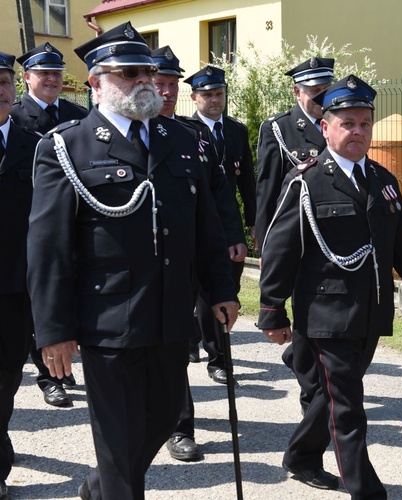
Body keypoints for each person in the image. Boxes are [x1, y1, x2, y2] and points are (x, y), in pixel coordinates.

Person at [26, 22, 239, 499]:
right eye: (129, 73)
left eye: (147, 71)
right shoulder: (66, 147)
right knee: (120, 444)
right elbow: (48, 250)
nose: (144, 80)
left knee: (164, 417)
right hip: (108, 321)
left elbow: (206, 229)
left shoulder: (180, 141)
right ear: (96, 81)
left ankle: (98, 490)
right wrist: (54, 331)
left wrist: (221, 290)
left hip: (169, 315)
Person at [258, 74, 402, 499]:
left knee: (330, 393)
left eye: (364, 123)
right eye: (347, 123)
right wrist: (272, 310)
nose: (357, 131)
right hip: (325, 315)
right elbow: (280, 249)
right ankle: (365, 489)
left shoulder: (382, 179)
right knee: (347, 404)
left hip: (370, 310)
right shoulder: (306, 182)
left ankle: (302, 456)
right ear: (326, 128)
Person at [150, 46, 247, 462]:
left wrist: (232, 235)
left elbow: (217, 193)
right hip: (146, 261)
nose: (168, 92)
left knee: (176, 343)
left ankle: (178, 426)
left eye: (173, 85)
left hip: (190, 256)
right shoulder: (131, 134)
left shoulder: (195, 135)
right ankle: (163, 421)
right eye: (161, 84)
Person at [11, 42, 89, 408]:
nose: (52, 79)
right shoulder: (15, 117)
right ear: (27, 78)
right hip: (31, 226)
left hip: (76, 222)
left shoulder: (77, 115)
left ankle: (65, 363)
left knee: (70, 295)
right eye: (44, 74)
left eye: (57, 73)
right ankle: (49, 376)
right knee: (36, 303)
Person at [255, 56, 334, 416]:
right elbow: (268, 191)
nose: (322, 97)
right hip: (300, 240)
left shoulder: (339, 121)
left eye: (326, 89)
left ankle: (300, 359)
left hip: (336, 240)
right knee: (307, 316)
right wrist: (267, 238)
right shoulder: (278, 129)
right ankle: (312, 404)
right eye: (316, 91)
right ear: (297, 91)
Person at [185, 65, 255, 384]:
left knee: (226, 285)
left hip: (227, 221)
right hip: (195, 219)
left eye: (220, 94)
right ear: (194, 97)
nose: (215, 100)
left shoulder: (236, 131)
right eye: (208, 95)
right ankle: (200, 345)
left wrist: (253, 222)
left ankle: (216, 356)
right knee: (195, 286)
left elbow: (247, 183)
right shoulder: (186, 130)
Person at [0, 50, 46, 500]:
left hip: (16, 287)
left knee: (7, 377)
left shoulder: (34, 147)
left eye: (4, 81)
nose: (0, 90)